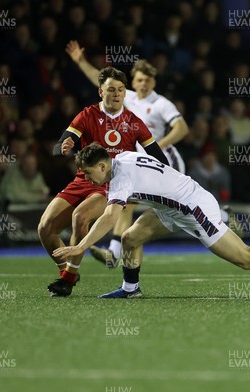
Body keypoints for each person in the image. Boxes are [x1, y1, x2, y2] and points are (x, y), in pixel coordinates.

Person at [52, 143, 250, 298]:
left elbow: (109, 218)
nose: (87, 178)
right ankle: (130, 289)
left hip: (193, 209)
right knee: (130, 237)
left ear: (103, 166)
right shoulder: (122, 157)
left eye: (88, 173)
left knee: (247, 259)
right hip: (171, 208)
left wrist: (80, 247)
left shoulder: (120, 179)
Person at [38, 66, 168, 297]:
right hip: (82, 180)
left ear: (125, 93)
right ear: (100, 92)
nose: (116, 94)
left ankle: (67, 280)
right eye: (111, 90)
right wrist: (63, 148)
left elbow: (158, 156)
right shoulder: (87, 115)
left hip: (111, 185)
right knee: (45, 228)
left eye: (120, 90)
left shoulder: (133, 122)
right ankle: (68, 272)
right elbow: (60, 145)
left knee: (80, 216)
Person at [65, 40, 189, 267]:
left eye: (148, 80)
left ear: (154, 81)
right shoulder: (126, 96)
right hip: (136, 163)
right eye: (140, 80)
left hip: (162, 161)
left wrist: (158, 146)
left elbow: (182, 128)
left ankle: (220, 215)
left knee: (178, 204)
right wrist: (81, 61)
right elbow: (98, 79)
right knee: (124, 204)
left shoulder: (161, 103)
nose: (144, 84)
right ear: (134, 81)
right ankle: (114, 253)